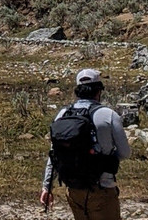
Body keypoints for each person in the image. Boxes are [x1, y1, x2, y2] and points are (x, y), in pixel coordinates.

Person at [39, 68, 130, 220]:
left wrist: (47, 187)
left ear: (77, 91)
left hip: (74, 190)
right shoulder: (109, 115)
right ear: (98, 91)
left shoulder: (63, 114)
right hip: (102, 188)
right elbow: (125, 153)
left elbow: (54, 154)